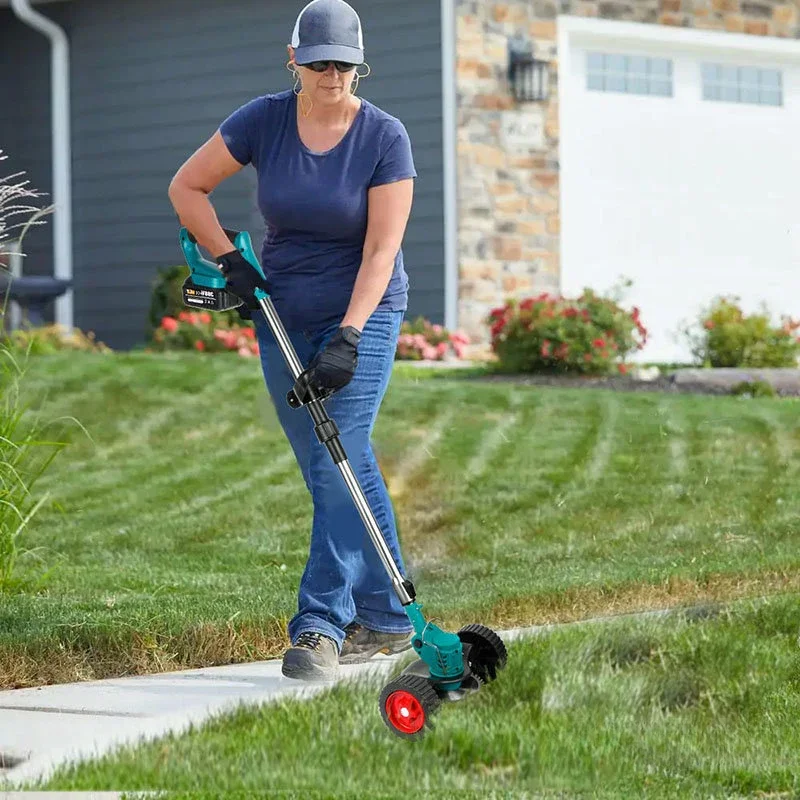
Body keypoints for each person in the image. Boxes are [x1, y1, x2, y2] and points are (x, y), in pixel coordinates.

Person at [168, 0, 418, 681]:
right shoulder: (264, 119)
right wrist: (232, 263)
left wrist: (350, 335)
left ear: (359, 67)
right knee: (328, 466)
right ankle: (390, 617)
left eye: (343, 63)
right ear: (294, 61)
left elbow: (380, 249)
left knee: (346, 449)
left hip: (361, 313)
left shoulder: (384, 137)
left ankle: (319, 627)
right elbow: (188, 187)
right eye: (318, 63)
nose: (331, 74)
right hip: (280, 311)